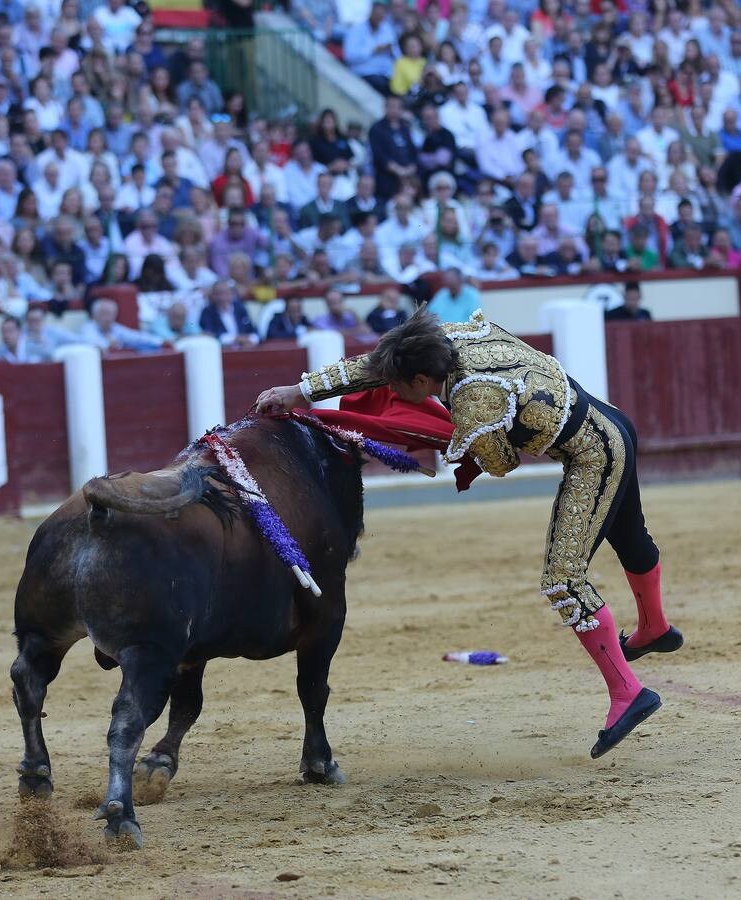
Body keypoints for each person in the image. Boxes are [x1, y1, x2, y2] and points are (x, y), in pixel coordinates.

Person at [255, 310, 682, 759]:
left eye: (399, 387)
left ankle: (627, 692)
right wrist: (299, 392)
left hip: (594, 456)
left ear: (422, 380)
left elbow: (501, 464)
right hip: (612, 422)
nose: (391, 391)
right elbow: (378, 365)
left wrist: (456, 434)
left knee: (564, 579)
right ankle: (653, 627)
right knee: (630, 536)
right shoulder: (450, 339)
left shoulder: (473, 399)